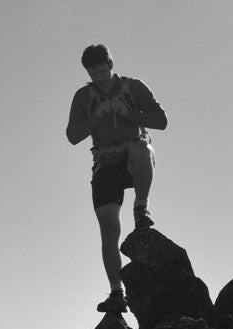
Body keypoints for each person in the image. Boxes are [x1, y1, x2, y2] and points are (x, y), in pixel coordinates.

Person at [65, 44, 168, 313]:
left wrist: (128, 113)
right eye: (93, 72)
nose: (98, 76)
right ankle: (116, 292)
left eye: (102, 70)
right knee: (108, 228)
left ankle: (141, 207)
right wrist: (97, 117)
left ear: (111, 65)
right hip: (105, 164)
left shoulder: (134, 87)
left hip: (134, 158)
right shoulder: (83, 97)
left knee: (141, 148)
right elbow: (73, 136)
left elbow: (161, 120)